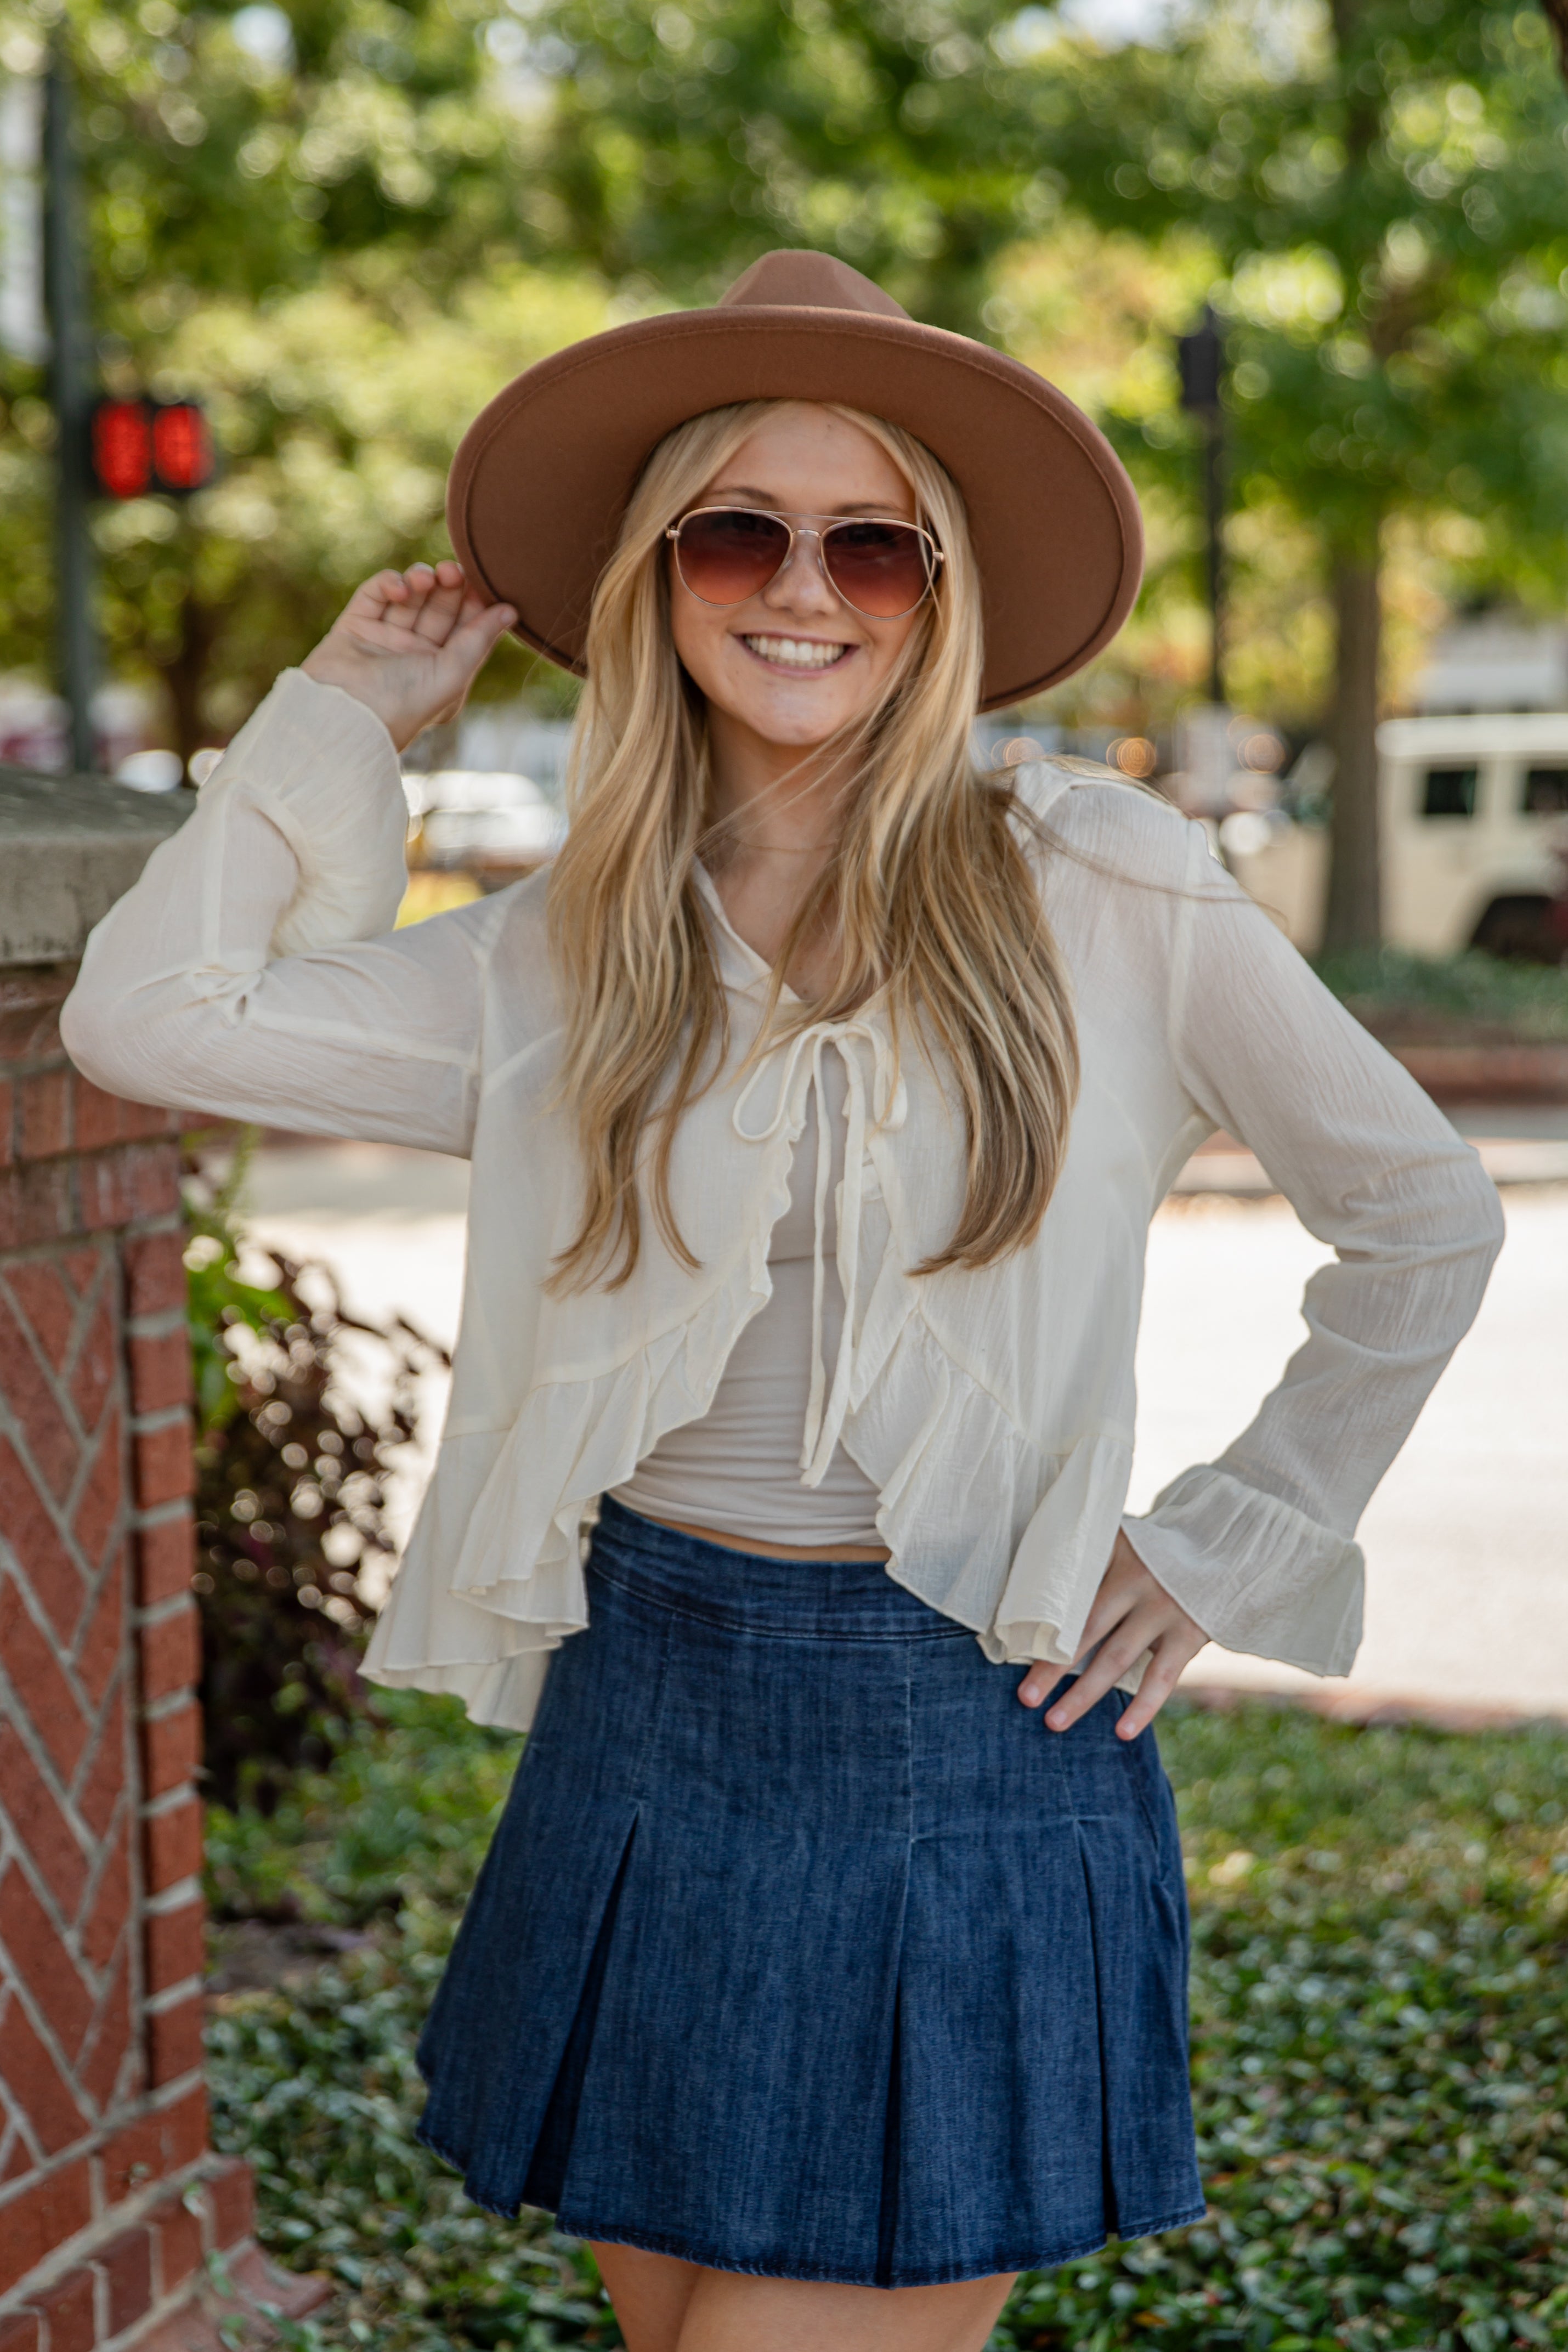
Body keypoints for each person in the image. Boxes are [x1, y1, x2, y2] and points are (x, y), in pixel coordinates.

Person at [62, 250, 1504, 2352]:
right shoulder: (565, 951)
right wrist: (343, 715)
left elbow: (1420, 1216)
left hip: (968, 1735)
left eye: (872, 545)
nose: (798, 587)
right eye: (736, 529)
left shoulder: (1096, 884)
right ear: (657, 578)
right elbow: (152, 1016)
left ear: (941, 594)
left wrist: (1227, 1539)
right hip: (645, 1709)